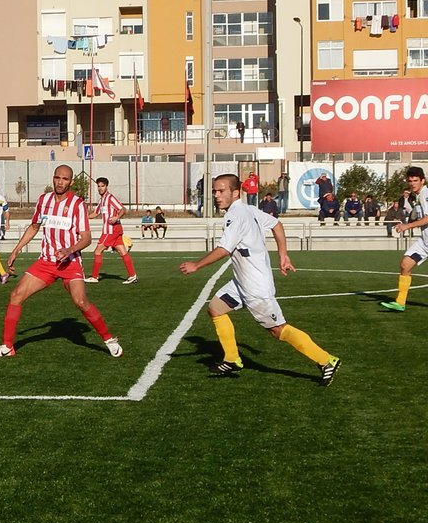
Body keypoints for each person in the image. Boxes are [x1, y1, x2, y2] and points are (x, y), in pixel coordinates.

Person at [179, 174, 341, 387]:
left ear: (235, 193)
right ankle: (232, 358)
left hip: (255, 287)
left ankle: (326, 360)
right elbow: (277, 224)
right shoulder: (249, 210)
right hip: (241, 283)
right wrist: (283, 255)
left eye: (221, 191)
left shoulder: (236, 215)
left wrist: (196, 265)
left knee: (277, 330)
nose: (216, 195)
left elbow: (224, 249)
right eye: (215, 191)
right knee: (215, 308)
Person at [0, 165, 121, 359]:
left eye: (65, 179)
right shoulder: (44, 200)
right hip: (47, 262)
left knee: (81, 301)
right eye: (57, 178)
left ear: (71, 182)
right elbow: (34, 226)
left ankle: (109, 340)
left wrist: (69, 250)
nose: (60, 182)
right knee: (16, 295)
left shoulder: (77, 204)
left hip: (70, 263)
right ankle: (8, 346)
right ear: (53, 178)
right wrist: (16, 249)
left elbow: (86, 238)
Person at [380, 166, 428, 312]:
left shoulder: (425, 194)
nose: (412, 183)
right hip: (425, 242)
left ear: (423, 181)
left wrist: (407, 226)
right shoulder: (417, 196)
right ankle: (400, 303)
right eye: (410, 181)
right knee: (405, 265)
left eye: (415, 180)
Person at [86, 177, 138, 284]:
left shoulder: (110, 198)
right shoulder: (101, 200)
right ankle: (133, 276)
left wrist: (116, 217)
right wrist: (84, 217)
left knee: (97, 251)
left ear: (106, 187)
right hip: (113, 230)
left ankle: (94, 277)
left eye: (102, 186)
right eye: (98, 186)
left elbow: (122, 209)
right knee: (122, 251)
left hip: (111, 230)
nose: (100, 188)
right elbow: (95, 213)